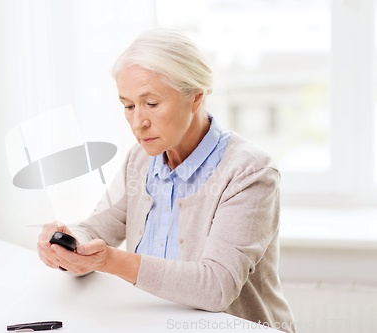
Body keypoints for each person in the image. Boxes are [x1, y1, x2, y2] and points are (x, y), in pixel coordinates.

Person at [37, 28, 296, 333]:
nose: (138, 122)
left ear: (196, 96)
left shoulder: (251, 171)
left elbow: (215, 287)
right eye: (129, 106)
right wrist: (68, 246)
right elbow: (96, 230)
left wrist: (108, 262)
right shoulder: (140, 159)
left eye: (152, 103)